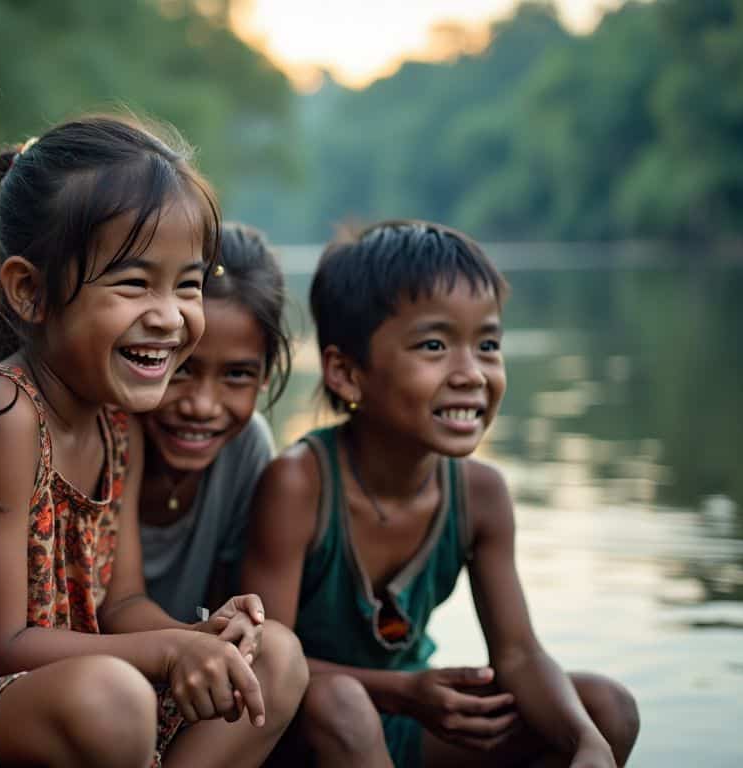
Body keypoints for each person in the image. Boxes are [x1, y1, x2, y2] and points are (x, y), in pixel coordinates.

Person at [0, 117, 308, 768]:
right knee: (114, 694)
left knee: (277, 657)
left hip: (101, 686)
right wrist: (168, 653)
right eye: (134, 283)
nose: (171, 315)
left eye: (188, 284)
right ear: (31, 292)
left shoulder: (119, 423)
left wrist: (199, 637)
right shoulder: (3, 413)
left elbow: (120, 603)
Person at [242, 220, 640, 767]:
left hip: (416, 720)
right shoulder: (299, 485)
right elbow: (265, 662)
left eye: (488, 345)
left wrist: (587, 743)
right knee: (342, 703)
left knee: (605, 709)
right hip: (302, 733)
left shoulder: (482, 493)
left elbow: (519, 655)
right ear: (346, 373)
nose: (471, 373)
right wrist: (402, 691)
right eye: (434, 345)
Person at [138, 222, 290, 623]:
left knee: (278, 649)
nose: (202, 406)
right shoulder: (106, 439)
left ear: (266, 376)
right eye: (182, 368)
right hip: (92, 672)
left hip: (189, 665)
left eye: (237, 375)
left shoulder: (247, 447)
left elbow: (237, 606)